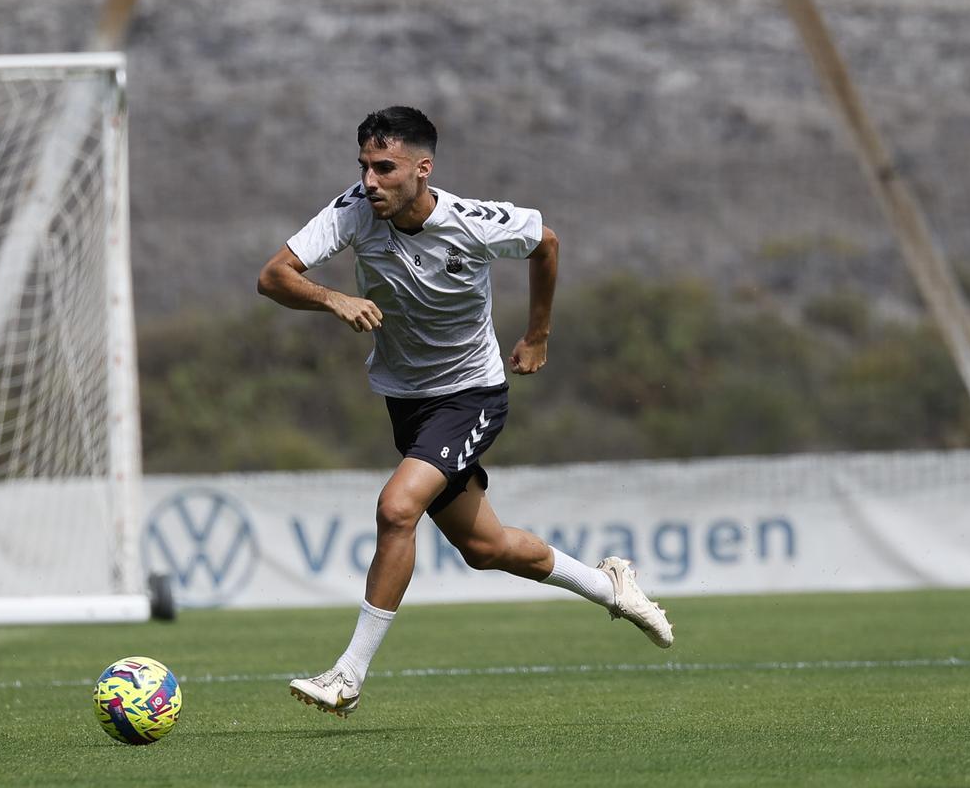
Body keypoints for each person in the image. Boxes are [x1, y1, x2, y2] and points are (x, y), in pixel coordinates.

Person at [257, 106, 673, 718]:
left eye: (385, 168)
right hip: (407, 401)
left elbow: (546, 242)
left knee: (397, 508)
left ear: (422, 169)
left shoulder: (472, 222)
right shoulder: (352, 210)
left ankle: (347, 675)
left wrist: (538, 335)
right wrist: (332, 298)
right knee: (485, 547)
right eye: (364, 166)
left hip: (471, 394)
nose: (370, 181)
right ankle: (608, 585)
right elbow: (273, 276)